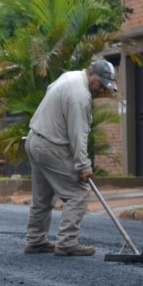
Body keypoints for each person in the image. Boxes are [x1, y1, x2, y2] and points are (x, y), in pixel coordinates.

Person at [23, 59, 118, 257]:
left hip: (35, 140)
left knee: (42, 197)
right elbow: (78, 135)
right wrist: (83, 166)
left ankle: (36, 240)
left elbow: (50, 91)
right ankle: (67, 242)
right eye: (101, 84)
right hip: (50, 145)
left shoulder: (70, 76)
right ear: (91, 74)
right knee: (78, 193)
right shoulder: (80, 97)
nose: (102, 90)